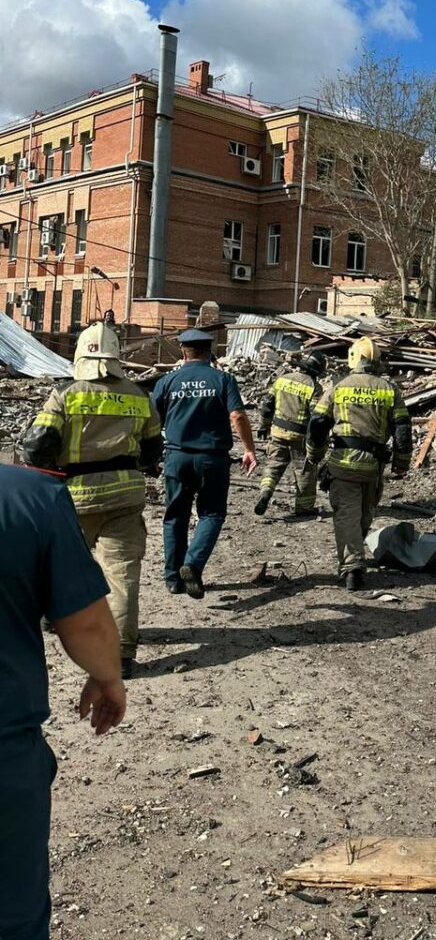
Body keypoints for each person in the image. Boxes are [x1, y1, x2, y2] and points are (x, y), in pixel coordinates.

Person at [0, 463, 126, 940]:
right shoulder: (29, 495)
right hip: (4, 749)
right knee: (11, 909)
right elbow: (86, 623)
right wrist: (107, 676)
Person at [21, 322, 163, 680]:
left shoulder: (65, 394)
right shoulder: (138, 395)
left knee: (62, 565)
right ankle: (121, 656)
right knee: (123, 576)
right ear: (116, 357)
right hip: (126, 495)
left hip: (76, 497)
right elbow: (152, 451)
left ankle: (55, 621)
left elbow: (37, 446)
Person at [151, 328, 257, 599]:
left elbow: (151, 422)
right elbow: (238, 416)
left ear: (183, 351)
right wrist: (249, 449)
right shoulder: (223, 379)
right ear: (210, 351)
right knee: (211, 514)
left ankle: (173, 579)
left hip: (177, 458)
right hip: (212, 459)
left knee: (175, 516)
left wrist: (150, 457)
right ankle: (193, 564)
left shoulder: (167, 381)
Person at [306, 337, 412, 591]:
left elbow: (318, 423)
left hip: (342, 464)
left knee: (347, 516)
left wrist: (315, 453)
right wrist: (401, 462)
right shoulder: (389, 389)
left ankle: (352, 567)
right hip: (372, 467)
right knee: (364, 516)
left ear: (353, 358)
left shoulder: (339, 387)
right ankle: (354, 558)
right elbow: (402, 428)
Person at [255, 350, 327, 518]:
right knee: (305, 472)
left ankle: (265, 491)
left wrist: (263, 425)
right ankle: (304, 507)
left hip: (277, 432)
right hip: (299, 437)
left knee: (273, 465)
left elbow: (267, 404)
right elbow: (316, 417)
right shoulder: (314, 387)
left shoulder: (282, 380)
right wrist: (317, 441)